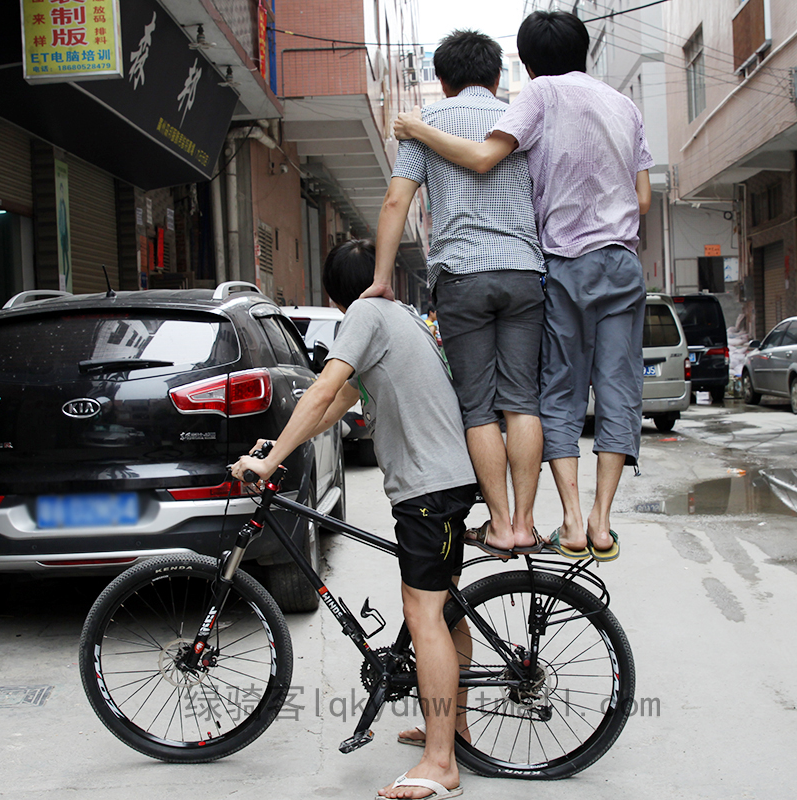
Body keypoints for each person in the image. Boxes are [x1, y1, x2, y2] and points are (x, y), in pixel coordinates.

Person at [392, 10, 654, 562]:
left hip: (556, 264)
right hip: (615, 265)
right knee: (614, 389)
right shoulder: (625, 105)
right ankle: (601, 522)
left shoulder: (537, 98)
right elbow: (644, 198)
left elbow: (486, 158)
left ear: (529, 65)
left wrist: (417, 127)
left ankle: (557, 521)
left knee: (550, 392)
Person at [232, 239, 477, 800]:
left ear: (331, 294)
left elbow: (320, 388)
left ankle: (441, 764)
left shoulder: (366, 313)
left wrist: (267, 465)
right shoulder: (400, 317)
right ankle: (453, 730)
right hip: (441, 482)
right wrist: (279, 445)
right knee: (447, 610)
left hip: (427, 490)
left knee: (426, 617)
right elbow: (336, 403)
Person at [363, 30, 546, 558]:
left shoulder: (425, 124)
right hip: (521, 272)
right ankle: (527, 524)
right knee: (522, 401)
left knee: (478, 409)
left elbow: (396, 203)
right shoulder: (518, 118)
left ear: (442, 81)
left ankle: (501, 524)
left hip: (461, 279)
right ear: (495, 77)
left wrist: (381, 279)